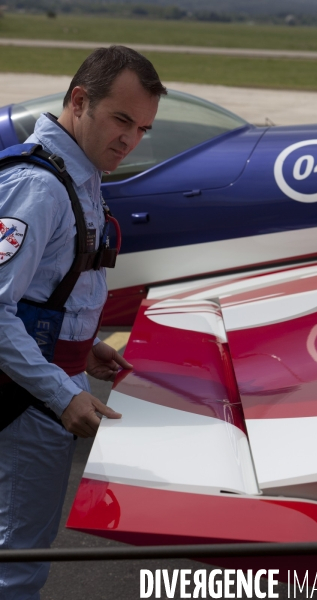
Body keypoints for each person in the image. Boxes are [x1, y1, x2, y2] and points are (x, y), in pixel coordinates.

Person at [0, 45, 167, 599]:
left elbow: (42, 294)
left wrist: (83, 345)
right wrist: (61, 391)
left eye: (143, 128)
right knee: (17, 567)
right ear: (79, 101)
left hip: (41, 389)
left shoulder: (81, 176)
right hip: (27, 405)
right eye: (122, 119)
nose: (131, 139)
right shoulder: (41, 186)